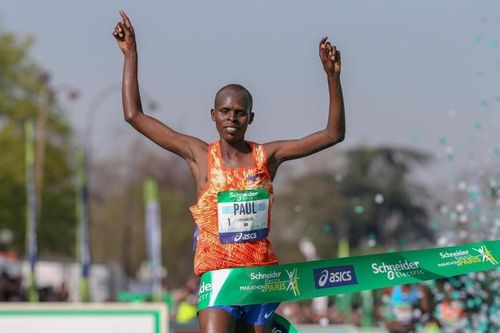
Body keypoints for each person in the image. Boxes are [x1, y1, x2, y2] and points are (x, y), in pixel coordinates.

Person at [113, 9, 345, 333]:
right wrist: (131, 54)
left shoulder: (268, 156)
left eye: (239, 113)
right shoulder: (199, 156)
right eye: (225, 111)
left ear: (251, 118)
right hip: (218, 277)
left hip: (258, 277)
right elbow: (134, 115)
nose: (232, 118)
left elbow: (332, 134)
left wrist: (332, 77)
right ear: (213, 115)